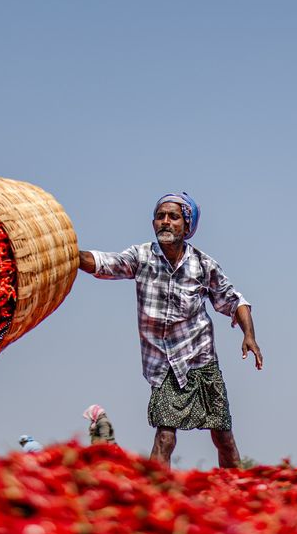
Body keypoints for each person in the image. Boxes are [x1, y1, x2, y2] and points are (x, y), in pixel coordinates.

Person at [78, 192, 263, 468]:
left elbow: (234, 300)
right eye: (160, 216)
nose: (165, 221)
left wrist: (249, 335)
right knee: (165, 436)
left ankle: (236, 486)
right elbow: (105, 263)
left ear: (187, 227)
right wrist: (71, 255)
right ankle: (155, 490)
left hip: (200, 360)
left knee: (223, 435)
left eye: (173, 217)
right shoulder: (141, 257)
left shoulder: (202, 265)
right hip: (163, 364)